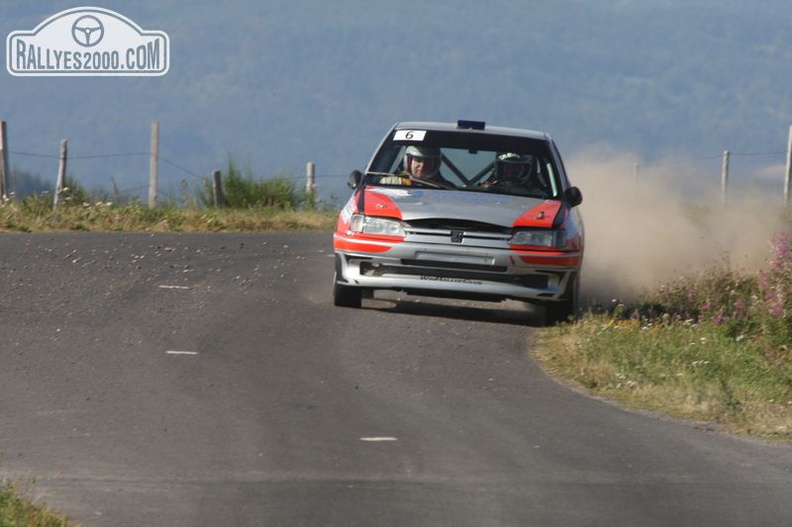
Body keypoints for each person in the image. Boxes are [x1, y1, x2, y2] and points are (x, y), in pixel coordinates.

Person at [379, 145, 454, 188]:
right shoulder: (388, 183)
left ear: (435, 164)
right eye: (418, 160)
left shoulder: (447, 189)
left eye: (427, 162)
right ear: (408, 161)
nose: (422, 165)